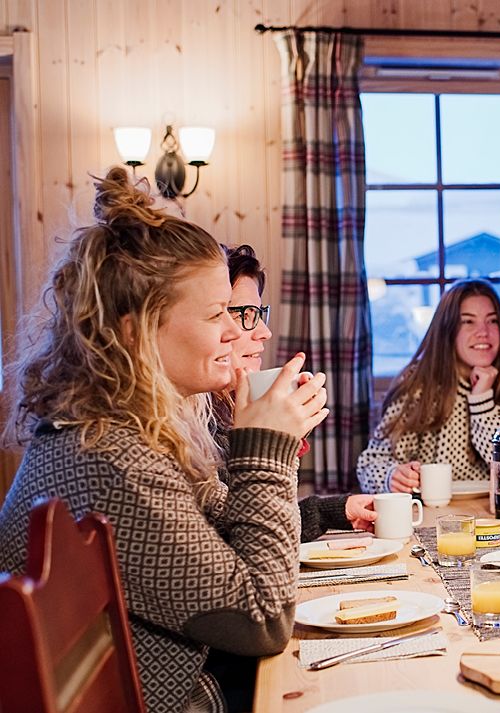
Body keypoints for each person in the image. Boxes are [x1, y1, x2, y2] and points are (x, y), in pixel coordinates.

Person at [0, 167, 329, 712]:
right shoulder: (111, 460)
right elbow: (263, 619)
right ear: (135, 330)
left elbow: (228, 525)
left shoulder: (126, 433)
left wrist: (274, 454)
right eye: (216, 313)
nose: (236, 331)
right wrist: (264, 452)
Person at [221, 244, 375, 540]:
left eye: (258, 313)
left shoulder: (223, 410)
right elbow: (243, 535)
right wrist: (272, 443)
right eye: (245, 314)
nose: (264, 331)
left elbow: (255, 521)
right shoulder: (191, 431)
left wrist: (336, 511)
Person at [357, 278, 500, 493]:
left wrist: (482, 401)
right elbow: (370, 463)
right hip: (432, 513)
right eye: (468, 321)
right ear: (448, 329)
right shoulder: (420, 380)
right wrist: (392, 476)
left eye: (492, 321)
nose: (483, 332)